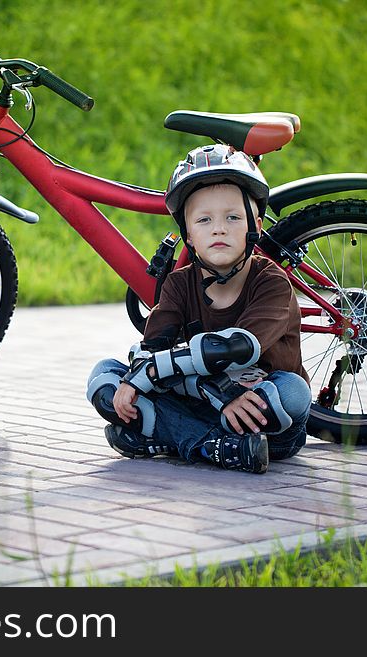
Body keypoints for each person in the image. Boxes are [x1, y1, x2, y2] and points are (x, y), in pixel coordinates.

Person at [86, 144, 311, 474]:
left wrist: (148, 376)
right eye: (204, 220)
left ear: (257, 226)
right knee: (104, 378)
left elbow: (236, 347)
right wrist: (217, 392)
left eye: (232, 217)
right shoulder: (179, 284)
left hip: (264, 414)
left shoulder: (271, 282)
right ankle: (217, 446)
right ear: (188, 235)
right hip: (208, 402)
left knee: (294, 393)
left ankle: (171, 436)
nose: (219, 228)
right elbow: (149, 352)